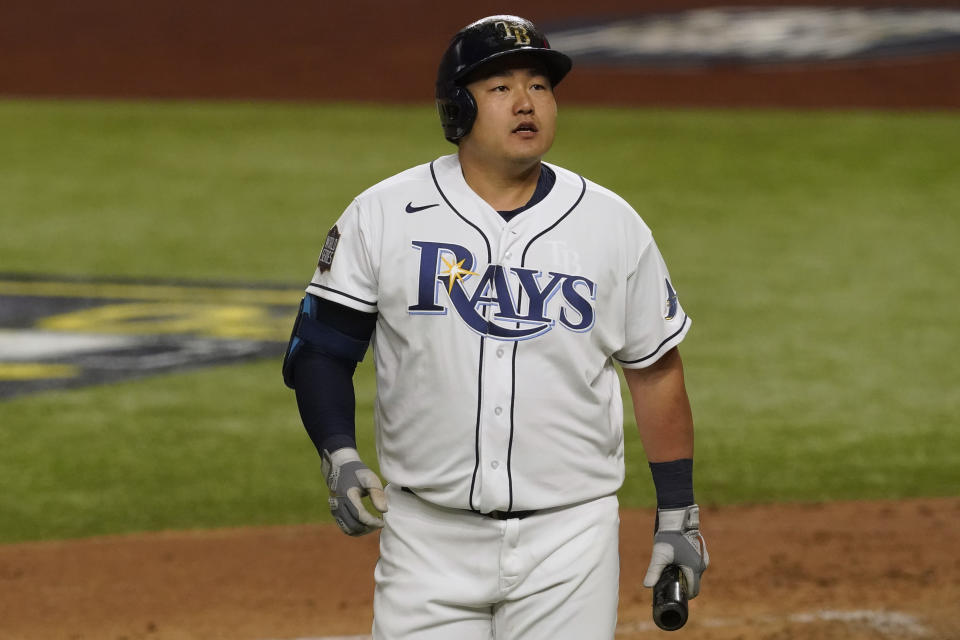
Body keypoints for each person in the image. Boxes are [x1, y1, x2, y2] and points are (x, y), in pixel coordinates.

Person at [282, 14, 708, 640]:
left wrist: (679, 511)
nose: (526, 102)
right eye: (501, 87)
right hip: (426, 539)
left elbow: (655, 370)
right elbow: (319, 349)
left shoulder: (611, 225)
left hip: (570, 541)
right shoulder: (385, 213)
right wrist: (338, 455)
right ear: (457, 109)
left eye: (539, 85)